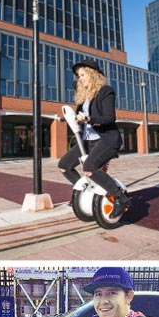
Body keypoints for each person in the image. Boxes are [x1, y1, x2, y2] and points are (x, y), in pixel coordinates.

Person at [58, 59, 130, 216]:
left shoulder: (106, 91)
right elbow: (79, 116)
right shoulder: (84, 99)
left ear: (92, 74)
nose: (80, 78)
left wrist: (89, 119)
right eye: (78, 76)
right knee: (64, 165)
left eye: (82, 75)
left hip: (106, 140)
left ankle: (120, 198)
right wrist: (70, 118)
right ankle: (83, 191)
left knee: (89, 168)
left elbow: (109, 118)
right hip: (87, 141)